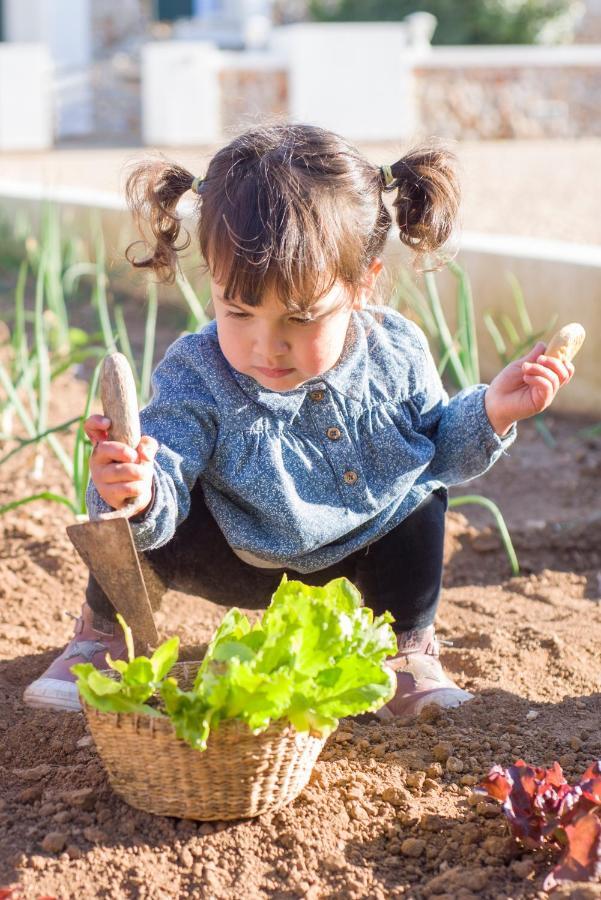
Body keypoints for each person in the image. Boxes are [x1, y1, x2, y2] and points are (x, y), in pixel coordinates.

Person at [24, 123, 574, 714]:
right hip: (233, 554)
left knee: (420, 501)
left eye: (302, 318)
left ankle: (402, 653)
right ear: (211, 278)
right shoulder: (197, 371)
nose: (268, 346)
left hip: (350, 562)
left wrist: (492, 410)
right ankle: (104, 635)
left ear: (364, 284)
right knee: (143, 512)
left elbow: (438, 447)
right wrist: (133, 489)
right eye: (239, 311)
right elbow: (167, 465)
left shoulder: (396, 352)